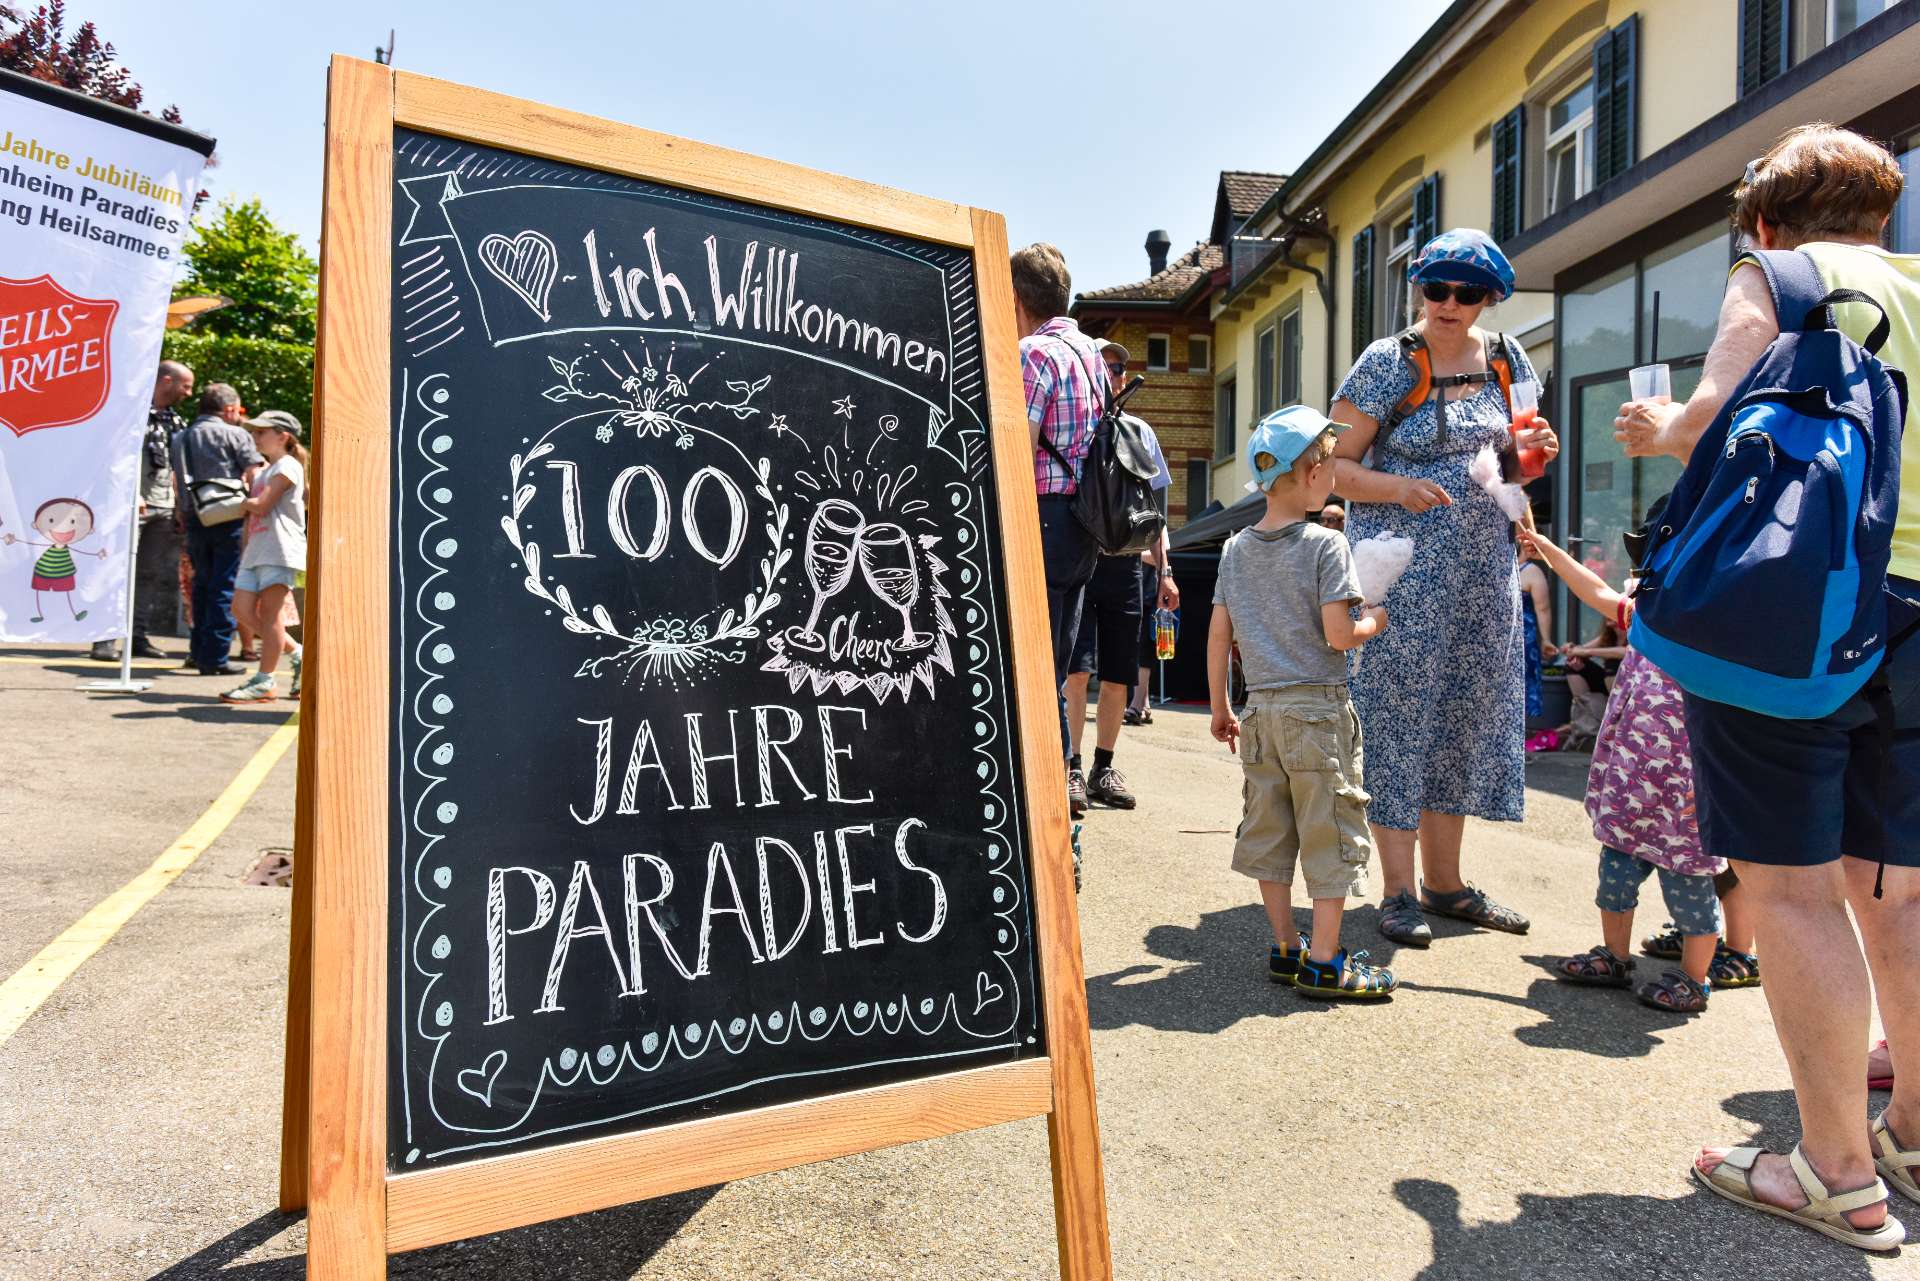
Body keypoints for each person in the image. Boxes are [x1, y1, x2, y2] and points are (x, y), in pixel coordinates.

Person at [1615, 125, 1918, 1250]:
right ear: (1882, 214)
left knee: (1791, 892)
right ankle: (1914, 1135)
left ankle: (1836, 1173)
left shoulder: (1781, 276)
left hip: (1802, 602)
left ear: (1764, 220)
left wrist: (1659, 429)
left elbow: (1709, 416)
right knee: (1903, 892)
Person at [1328, 228, 1559, 947]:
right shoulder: (1386, 362)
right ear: (1420, 289)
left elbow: (1513, 465)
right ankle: (1398, 891)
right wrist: (1398, 488)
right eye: (1437, 288)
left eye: (1468, 292)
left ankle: (1446, 884)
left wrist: (1534, 458)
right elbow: (1330, 466)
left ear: (1491, 298)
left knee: (1461, 720)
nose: (1449, 303)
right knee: (1398, 720)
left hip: (1482, 576)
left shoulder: (1509, 357)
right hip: (1402, 575)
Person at [1523, 524, 1759, 1014]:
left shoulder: (1721, 635)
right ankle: (1615, 956)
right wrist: (1548, 550)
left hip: (1686, 798)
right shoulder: (1647, 617)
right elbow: (1595, 591)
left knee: (1692, 891)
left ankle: (1695, 979)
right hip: (1631, 784)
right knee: (1614, 877)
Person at [1208, 406, 1392, 1000]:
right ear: (1314, 474)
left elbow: (1219, 634)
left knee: (1270, 830)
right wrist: (1375, 621)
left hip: (1259, 712)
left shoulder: (1234, 549)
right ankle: (1326, 961)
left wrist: (1221, 707)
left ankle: (1287, 945)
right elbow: (1339, 634)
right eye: (1331, 468)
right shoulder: (1326, 545)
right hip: (1317, 711)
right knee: (1329, 829)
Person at [1066, 338, 1177, 810]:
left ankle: (1102, 767)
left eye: (1119, 368)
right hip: (1080, 559)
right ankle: (1070, 767)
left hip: (1127, 566)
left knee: (1118, 675)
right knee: (1076, 671)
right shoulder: (1075, 423)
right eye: (1107, 366)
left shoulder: (1140, 432)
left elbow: (1154, 509)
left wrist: (1166, 572)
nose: (1115, 375)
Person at [1013, 243, 1105, 785]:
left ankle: (1048, 781)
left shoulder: (1033, 352)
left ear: (1016, 298)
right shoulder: (1090, 352)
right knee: (1059, 659)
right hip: (1086, 521)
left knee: (1033, 664)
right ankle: (1065, 775)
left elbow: (1020, 449)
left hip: (1044, 515)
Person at [92, 360, 194, 662]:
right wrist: (130, 493)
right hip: (129, 505)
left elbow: (178, 466)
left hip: (164, 506)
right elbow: (112, 458)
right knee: (117, 571)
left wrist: (179, 504)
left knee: (149, 574)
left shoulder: (176, 422)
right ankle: (105, 639)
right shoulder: (130, 414)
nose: (189, 393)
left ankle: (137, 636)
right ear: (166, 381)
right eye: (186, 386)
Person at [172, 383, 261, 677]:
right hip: (229, 516)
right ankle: (216, 656)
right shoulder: (236, 434)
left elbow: (177, 480)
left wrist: (181, 511)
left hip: (194, 517)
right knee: (225, 584)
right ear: (229, 409)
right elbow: (254, 472)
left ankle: (198, 652)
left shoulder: (181, 437)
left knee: (201, 585)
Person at [221, 411, 307, 703]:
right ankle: (298, 653)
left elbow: (261, 505)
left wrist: (239, 501)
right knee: (241, 610)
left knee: (271, 617)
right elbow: (254, 512)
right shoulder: (266, 469)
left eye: (261, 432)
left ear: (283, 437)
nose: (254, 437)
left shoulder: (288, 466)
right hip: (257, 552)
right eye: (254, 432)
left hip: (279, 550)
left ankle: (265, 681)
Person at [1518, 538, 1552, 727]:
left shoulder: (1529, 570)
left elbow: (1543, 608)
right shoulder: (1531, 571)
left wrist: (1546, 640)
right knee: (1522, 684)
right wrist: (1545, 639)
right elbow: (1542, 608)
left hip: (1519, 637)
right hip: (1523, 636)